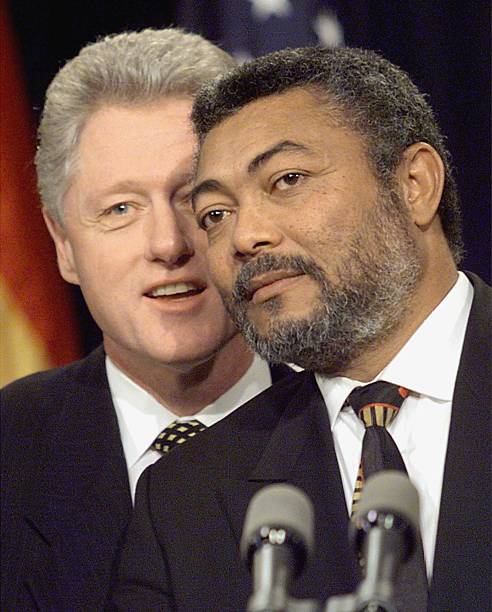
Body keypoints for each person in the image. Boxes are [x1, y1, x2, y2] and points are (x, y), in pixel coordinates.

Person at [111, 47, 491, 611]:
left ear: (415, 184)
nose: (245, 236)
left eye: (287, 179)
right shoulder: (184, 501)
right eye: (216, 214)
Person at [0, 29, 292, 611]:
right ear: (62, 244)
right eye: (120, 209)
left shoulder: (363, 430)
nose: (167, 244)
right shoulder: (10, 454)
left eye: (193, 199)